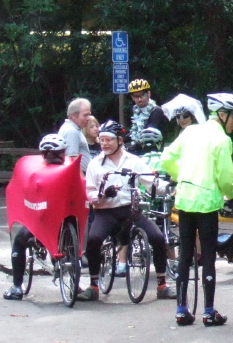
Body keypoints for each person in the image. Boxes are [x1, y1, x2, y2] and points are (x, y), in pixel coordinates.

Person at [161, 93, 233, 327]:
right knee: (207, 254)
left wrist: (181, 176)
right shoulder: (221, 140)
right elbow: (226, 177)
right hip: (207, 202)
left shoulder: (191, 131)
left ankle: (181, 310)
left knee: (185, 252)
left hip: (185, 198)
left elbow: (166, 158)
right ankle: (208, 311)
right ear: (222, 114)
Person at [75, 121, 178, 302]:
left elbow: (151, 182)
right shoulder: (95, 164)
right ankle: (93, 286)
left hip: (131, 211)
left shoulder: (134, 161)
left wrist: (170, 187)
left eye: (109, 140)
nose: (104, 144)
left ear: (120, 141)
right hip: (105, 212)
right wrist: (103, 195)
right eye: (102, 140)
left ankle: (162, 285)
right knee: (93, 240)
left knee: (157, 237)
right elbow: (89, 193)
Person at [3, 134, 69, 300]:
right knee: (65, 241)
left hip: (41, 222)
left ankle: (17, 286)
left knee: (19, 241)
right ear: (63, 153)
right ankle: (68, 276)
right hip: (66, 222)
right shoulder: (71, 169)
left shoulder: (35, 172)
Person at [127, 78, 167, 155]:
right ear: (132, 97)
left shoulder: (156, 111)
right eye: (136, 96)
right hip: (138, 152)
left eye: (142, 95)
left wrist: (131, 146)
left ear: (148, 94)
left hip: (153, 153)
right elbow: (134, 132)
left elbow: (148, 135)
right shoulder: (135, 110)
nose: (139, 99)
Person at [57, 97, 92, 173]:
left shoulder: (73, 129)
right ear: (73, 116)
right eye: (85, 115)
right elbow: (72, 160)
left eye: (89, 115)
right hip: (79, 176)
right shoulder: (71, 132)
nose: (88, 118)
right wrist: (83, 181)